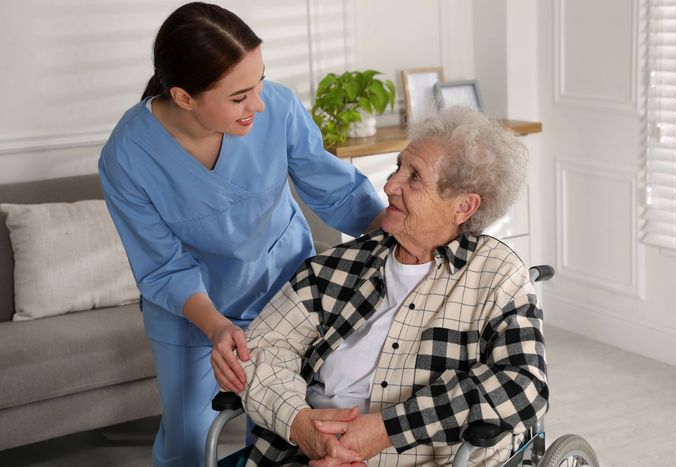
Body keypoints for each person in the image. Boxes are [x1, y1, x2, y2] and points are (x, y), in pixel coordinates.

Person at [98, 3, 385, 466]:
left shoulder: (278, 110)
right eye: (238, 97)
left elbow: (338, 193)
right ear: (184, 97)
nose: (259, 104)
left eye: (260, 83)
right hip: (192, 310)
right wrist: (217, 327)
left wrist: (404, 229)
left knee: (280, 431)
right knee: (190, 442)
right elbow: (163, 266)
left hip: (285, 290)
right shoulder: (127, 156)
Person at [236, 106, 549, 466]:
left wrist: (387, 428)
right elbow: (259, 348)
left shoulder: (497, 275)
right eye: (397, 167)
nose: (389, 186)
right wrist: (302, 424)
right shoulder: (337, 267)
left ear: (463, 206)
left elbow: (523, 383)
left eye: (414, 177)